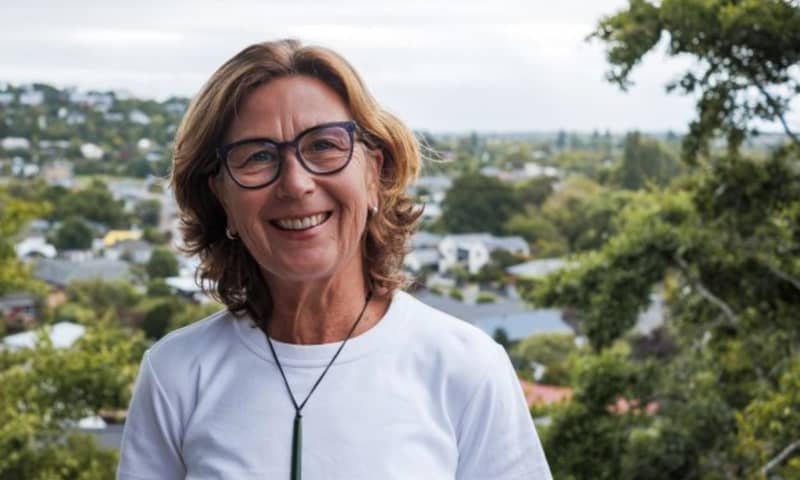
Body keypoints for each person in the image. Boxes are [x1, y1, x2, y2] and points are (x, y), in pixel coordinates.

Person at [117, 39, 552, 480]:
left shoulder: (466, 368)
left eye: (323, 145)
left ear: (373, 175)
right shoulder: (176, 376)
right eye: (258, 156)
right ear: (222, 197)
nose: (296, 183)